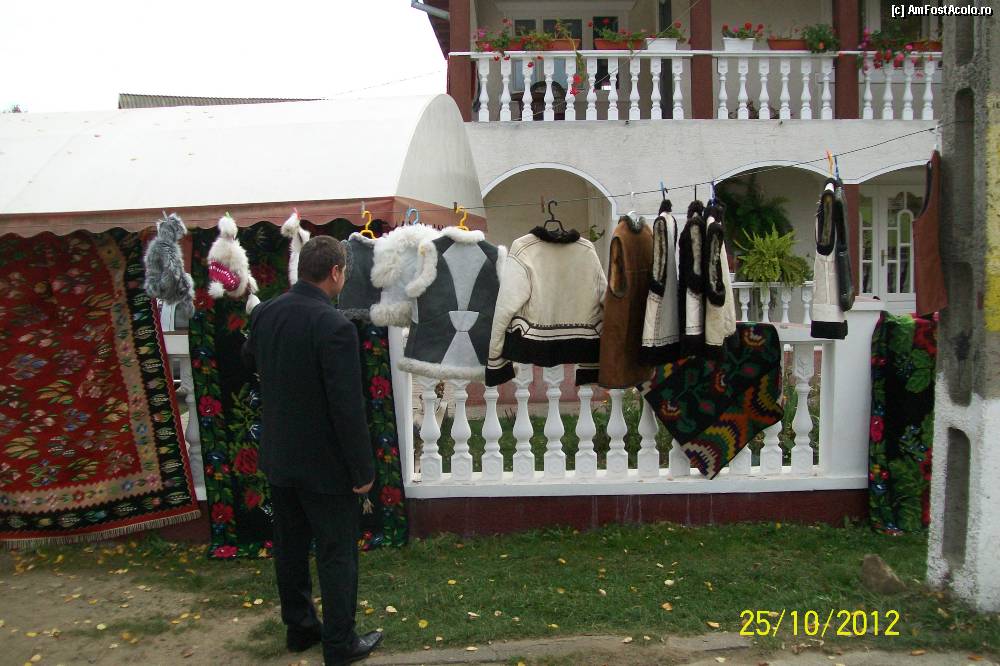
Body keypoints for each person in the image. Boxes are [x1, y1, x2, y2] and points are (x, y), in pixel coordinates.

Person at [243, 235, 382, 665]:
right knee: (336, 553)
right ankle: (339, 644)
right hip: (325, 466)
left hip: (280, 457)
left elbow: (250, 360)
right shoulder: (334, 326)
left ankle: (300, 629)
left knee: (290, 548)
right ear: (336, 272)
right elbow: (347, 407)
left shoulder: (266, 313)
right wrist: (363, 470)